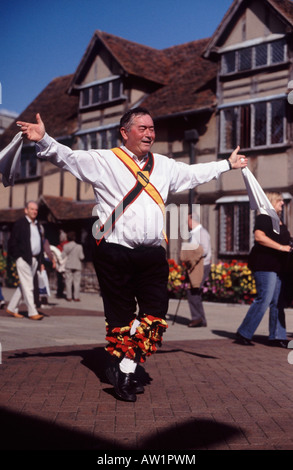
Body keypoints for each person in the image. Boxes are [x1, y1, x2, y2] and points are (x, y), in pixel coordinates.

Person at [16, 108, 247, 401]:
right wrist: (43, 139)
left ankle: (124, 366)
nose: (150, 133)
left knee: (155, 314)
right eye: (143, 128)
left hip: (151, 253)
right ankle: (121, 369)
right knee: (120, 317)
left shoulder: (163, 165)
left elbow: (192, 174)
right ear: (125, 132)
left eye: (152, 128)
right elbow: (69, 158)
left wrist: (226, 165)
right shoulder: (105, 160)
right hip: (114, 251)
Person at [236, 192, 291, 348]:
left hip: (279, 267)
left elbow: (285, 240)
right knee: (264, 299)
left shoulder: (279, 221)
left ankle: (277, 336)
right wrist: (281, 247)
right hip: (265, 265)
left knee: (278, 302)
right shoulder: (264, 217)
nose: (282, 203)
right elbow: (259, 237)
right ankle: (244, 332)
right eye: (279, 200)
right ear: (272, 201)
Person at [6, 201, 44, 320]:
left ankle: (12, 308)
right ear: (26, 210)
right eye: (32, 209)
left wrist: (41, 261)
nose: (34, 211)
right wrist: (18, 256)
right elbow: (12, 242)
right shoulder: (20, 224)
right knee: (28, 286)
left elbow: (40, 244)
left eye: (36, 210)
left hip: (34, 259)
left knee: (24, 285)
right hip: (23, 259)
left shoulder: (37, 225)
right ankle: (32, 311)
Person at [186, 212, 211, 328]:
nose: (187, 223)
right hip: (196, 265)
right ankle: (200, 318)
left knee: (193, 291)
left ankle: (198, 318)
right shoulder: (195, 233)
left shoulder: (201, 233)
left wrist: (191, 256)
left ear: (193, 221)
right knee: (193, 291)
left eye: (188, 220)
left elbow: (204, 250)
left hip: (201, 266)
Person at [62, 231, 84, 301]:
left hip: (68, 265)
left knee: (68, 282)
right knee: (77, 282)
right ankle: (76, 297)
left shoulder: (65, 246)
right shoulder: (79, 246)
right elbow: (82, 257)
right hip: (77, 265)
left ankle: (69, 297)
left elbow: (63, 256)